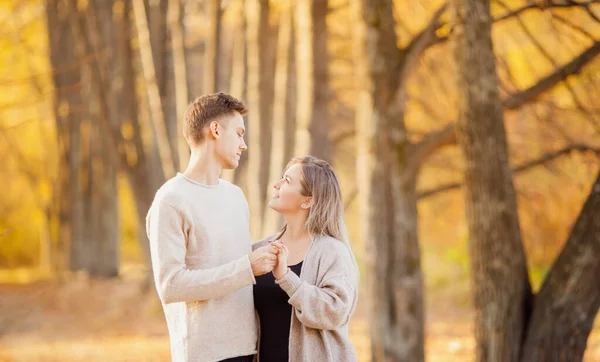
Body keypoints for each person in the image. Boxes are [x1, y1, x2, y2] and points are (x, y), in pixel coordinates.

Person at [146, 93, 278, 362]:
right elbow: (171, 285)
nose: (244, 144)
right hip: (203, 354)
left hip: (249, 349)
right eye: (239, 134)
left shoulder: (235, 196)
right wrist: (247, 268)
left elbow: (230, 260)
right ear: (215, 130)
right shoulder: (171, 200)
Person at [253, 156, 359, 362]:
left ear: (307, 200)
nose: (276, 185)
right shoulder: (259, 249)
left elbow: (335, 311)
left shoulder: (332, 251)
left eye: (287, 181)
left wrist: (286, 278)